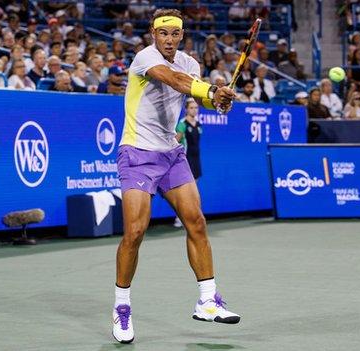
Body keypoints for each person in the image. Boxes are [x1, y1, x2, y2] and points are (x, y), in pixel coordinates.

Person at [112, 9, 240, 345]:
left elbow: (198, 95)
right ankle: (122, 306)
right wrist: (211, 90)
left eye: (175, 34)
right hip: (137, 154)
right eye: (163, 33)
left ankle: (208, 300)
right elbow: (174, 80)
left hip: (171, 154)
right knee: (135, 232)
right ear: (153, 33)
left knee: (196, 221)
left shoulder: (191, 64)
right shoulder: (144, 58)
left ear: (182, 35)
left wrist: (219, 101)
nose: (169, 40)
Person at [173, 99, 202, 227]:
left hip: (196, 159)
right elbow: (175, 141)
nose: (194, 110)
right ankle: (179, 218)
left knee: (194, 191)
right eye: (191, 108)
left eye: (196, 108)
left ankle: (192, 217)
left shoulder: (199, 124)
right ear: (186, 109)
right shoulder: (182, 124)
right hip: (186, 159)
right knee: (186, 192)